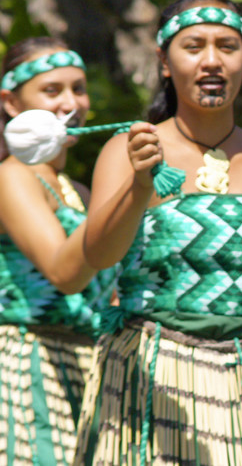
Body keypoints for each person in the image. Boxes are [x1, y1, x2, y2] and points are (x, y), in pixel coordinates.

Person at [73, 0, 242, 465]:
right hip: (150, 382)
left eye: (227, 47)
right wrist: (140, 187)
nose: (211, 61)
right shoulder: (130, 147)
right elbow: (97, 257)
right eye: (193, 46)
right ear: (164, 62)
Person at [0, 37, 118, 465]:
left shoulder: (79, 192)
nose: (71, 103)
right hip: (29, 368)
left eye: (78, 88)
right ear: (11, 103)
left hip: (87, 368)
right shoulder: (14, 176)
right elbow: (60, 269)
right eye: (52, 91)